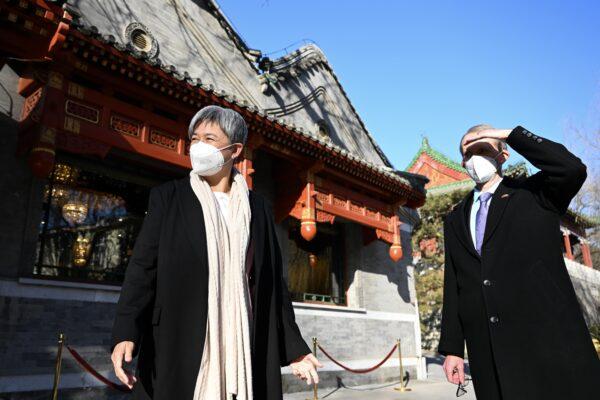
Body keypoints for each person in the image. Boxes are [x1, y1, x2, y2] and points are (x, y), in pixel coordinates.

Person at [110, 105, 321, 400]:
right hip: (178, 336)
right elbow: (142, 270)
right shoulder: (169, 198)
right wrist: (125, 331)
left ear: (234, 150)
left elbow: (272, 284)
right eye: (194, 138)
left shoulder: (257, 208)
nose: (198, 147)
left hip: (246, 337)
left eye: (209, 139)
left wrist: (296, 350)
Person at [439, 125, 600, 399]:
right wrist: (453, 348)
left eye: (483, 148)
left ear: (504, 155)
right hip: (488, 351)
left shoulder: (535, 193)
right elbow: (454, 282)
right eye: (469, 152)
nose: (476, 157)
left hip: (547, 343)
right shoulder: (455, 218)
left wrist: (508, 134)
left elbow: (572, 169)